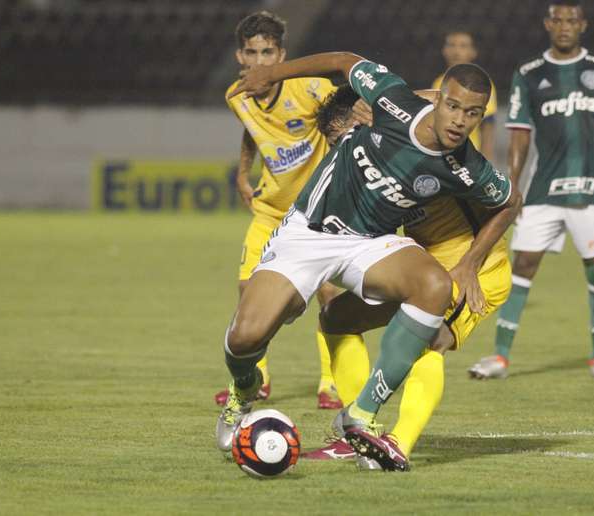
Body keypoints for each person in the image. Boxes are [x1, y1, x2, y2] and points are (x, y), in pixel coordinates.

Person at [215, 51, 520, 473]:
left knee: (433, 313)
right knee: (258, 334)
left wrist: (469, 264)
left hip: (400, 249)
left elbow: (509, 201)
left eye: (472, 113)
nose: (459, 120)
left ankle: (371, 424)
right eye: (452, 106)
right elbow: (345, 61)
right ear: (437, 102)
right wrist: (271, 74)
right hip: (311, 233)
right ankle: (244, 388)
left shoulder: (467, 167)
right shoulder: (391, 104)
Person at [301, 85, 513, 470]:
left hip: (472, 269)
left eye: (339, 139)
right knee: (337, 317)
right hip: (420, 265)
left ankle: (400, 442)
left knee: (429, 340)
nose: (339, 150)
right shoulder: (365, 164)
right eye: (332, 145)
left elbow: (435, 98)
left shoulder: (415, 133)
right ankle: (357, 434)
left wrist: (468, 266)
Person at [468, 0, 594, 381]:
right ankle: (500, 357)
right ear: (547, 24)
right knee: (522, 264)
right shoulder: (529, 74)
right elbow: (520, 135)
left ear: (583, 25)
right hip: (544, 188)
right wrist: (511, 184)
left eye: (571, 20)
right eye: (557, 20)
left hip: (593, 188)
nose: (564, 26)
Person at [215, 11, 365, 409]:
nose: (260, 61)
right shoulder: (236, 96)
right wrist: (243, 172)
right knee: (249, 296)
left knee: (330, 297)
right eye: (252, 52)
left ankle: (330, 383)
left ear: (281, 54)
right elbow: (252, 131)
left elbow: (345, 113)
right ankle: (257, 379)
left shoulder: (310, 88)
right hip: (269, 211)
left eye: (268, 52)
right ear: (239, 57)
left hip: (318, 214)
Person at [432, 31, 497, 161]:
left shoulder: (481, 85)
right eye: (452, 45)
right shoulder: (437, 83)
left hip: (467, 161)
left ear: (473, 52)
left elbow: (487, 128)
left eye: (463, 46)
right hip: (439, 159)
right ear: (444, 50)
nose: (456, 51)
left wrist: (486, 165)